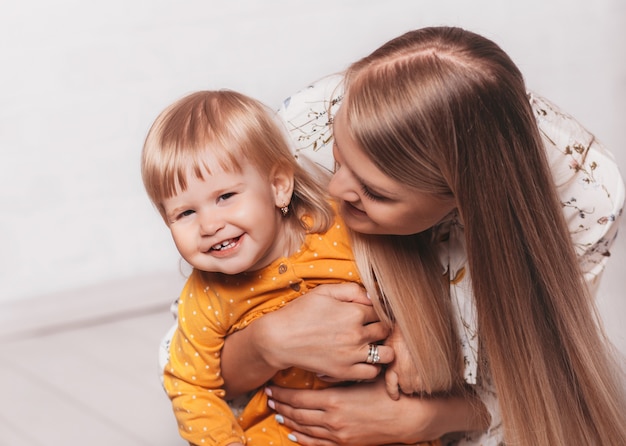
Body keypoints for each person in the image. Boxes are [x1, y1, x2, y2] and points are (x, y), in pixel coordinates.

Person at [218, 27, 626, 445]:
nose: (336, 192)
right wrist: (265, 343)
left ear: (464, 198)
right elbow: (197, 357)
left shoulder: (585, 197)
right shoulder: (303, 134)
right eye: (338, 159)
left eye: (375, 192)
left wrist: (428, 418)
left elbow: (542, 374)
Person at [142, 90, 440, 446]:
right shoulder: (206, 295)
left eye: (226, 197)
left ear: (278, 187)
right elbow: (190, 383)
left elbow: (412, 279)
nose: (209, 225)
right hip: (285, 432)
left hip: (384, 421)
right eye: (185, 213)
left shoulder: (341, 230)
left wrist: (406, 338)